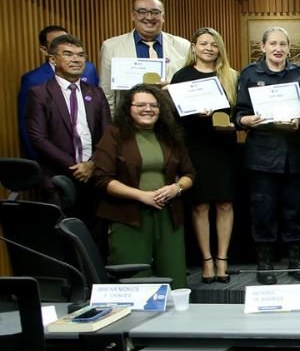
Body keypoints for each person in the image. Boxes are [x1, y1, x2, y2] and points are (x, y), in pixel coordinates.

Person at [92, 84, 195, 289]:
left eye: (153, 105)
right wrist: (140, 196)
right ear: (128, 108)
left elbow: (189, 173)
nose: (147, 109)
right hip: (128, 215)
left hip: (168, 214)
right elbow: (101, 178)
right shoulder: (115, 134)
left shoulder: (169, 135)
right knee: (135, 280)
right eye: (140, 104)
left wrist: (177, 188)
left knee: (174, 278)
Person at [234, 26, 300, 284]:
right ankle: (264, 264)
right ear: (263, 47)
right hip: (262, 156)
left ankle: (296, 261)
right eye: (273, 43)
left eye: (283, 44)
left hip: (294, 154)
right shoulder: (250, 74)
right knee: (263, 212)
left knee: (294, 211)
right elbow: (238, 113)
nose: (278, 49)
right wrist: (246, 120)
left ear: (289, 48)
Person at [170, 27, 239, 283]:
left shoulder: (231, 76)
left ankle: (223, 259)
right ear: (194, 47)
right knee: (200, 204)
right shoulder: (182, 76)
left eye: (213, 44)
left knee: (225, 203)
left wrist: (235, 124)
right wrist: (192, 113)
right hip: (194, 147)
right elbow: (173, 115)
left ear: (220, 48)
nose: (209, 48)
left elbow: (239, 113)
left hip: (223, 147)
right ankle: (206, 260)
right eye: (203, 43)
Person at [24, 34, 110, 230]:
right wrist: (76, 167)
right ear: (53, 59)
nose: (76, 60)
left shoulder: (95, 93)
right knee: (63, 236)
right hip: (59, 177)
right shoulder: (39, 93)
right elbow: (38, 138)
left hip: (94, 176)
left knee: (96, 236)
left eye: (81, 55)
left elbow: (107, 134)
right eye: (68, 54)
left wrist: (91, 164)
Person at [19, 26, 100, 159]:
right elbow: (28, 127)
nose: (74, 59)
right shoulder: (33, 80)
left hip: (91, 158)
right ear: (46, 51)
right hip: (55, 161)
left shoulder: (89, 69)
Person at [98, 0, 190, 111]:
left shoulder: (183, 46)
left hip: (172, 120)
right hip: (129, 122)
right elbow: (107, 95)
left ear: (163, 16)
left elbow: (189, 87)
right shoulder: (111, 47)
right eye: (142, 12)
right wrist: (112, 126)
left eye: (155, 12)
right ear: (133, 15)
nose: (149, 17)